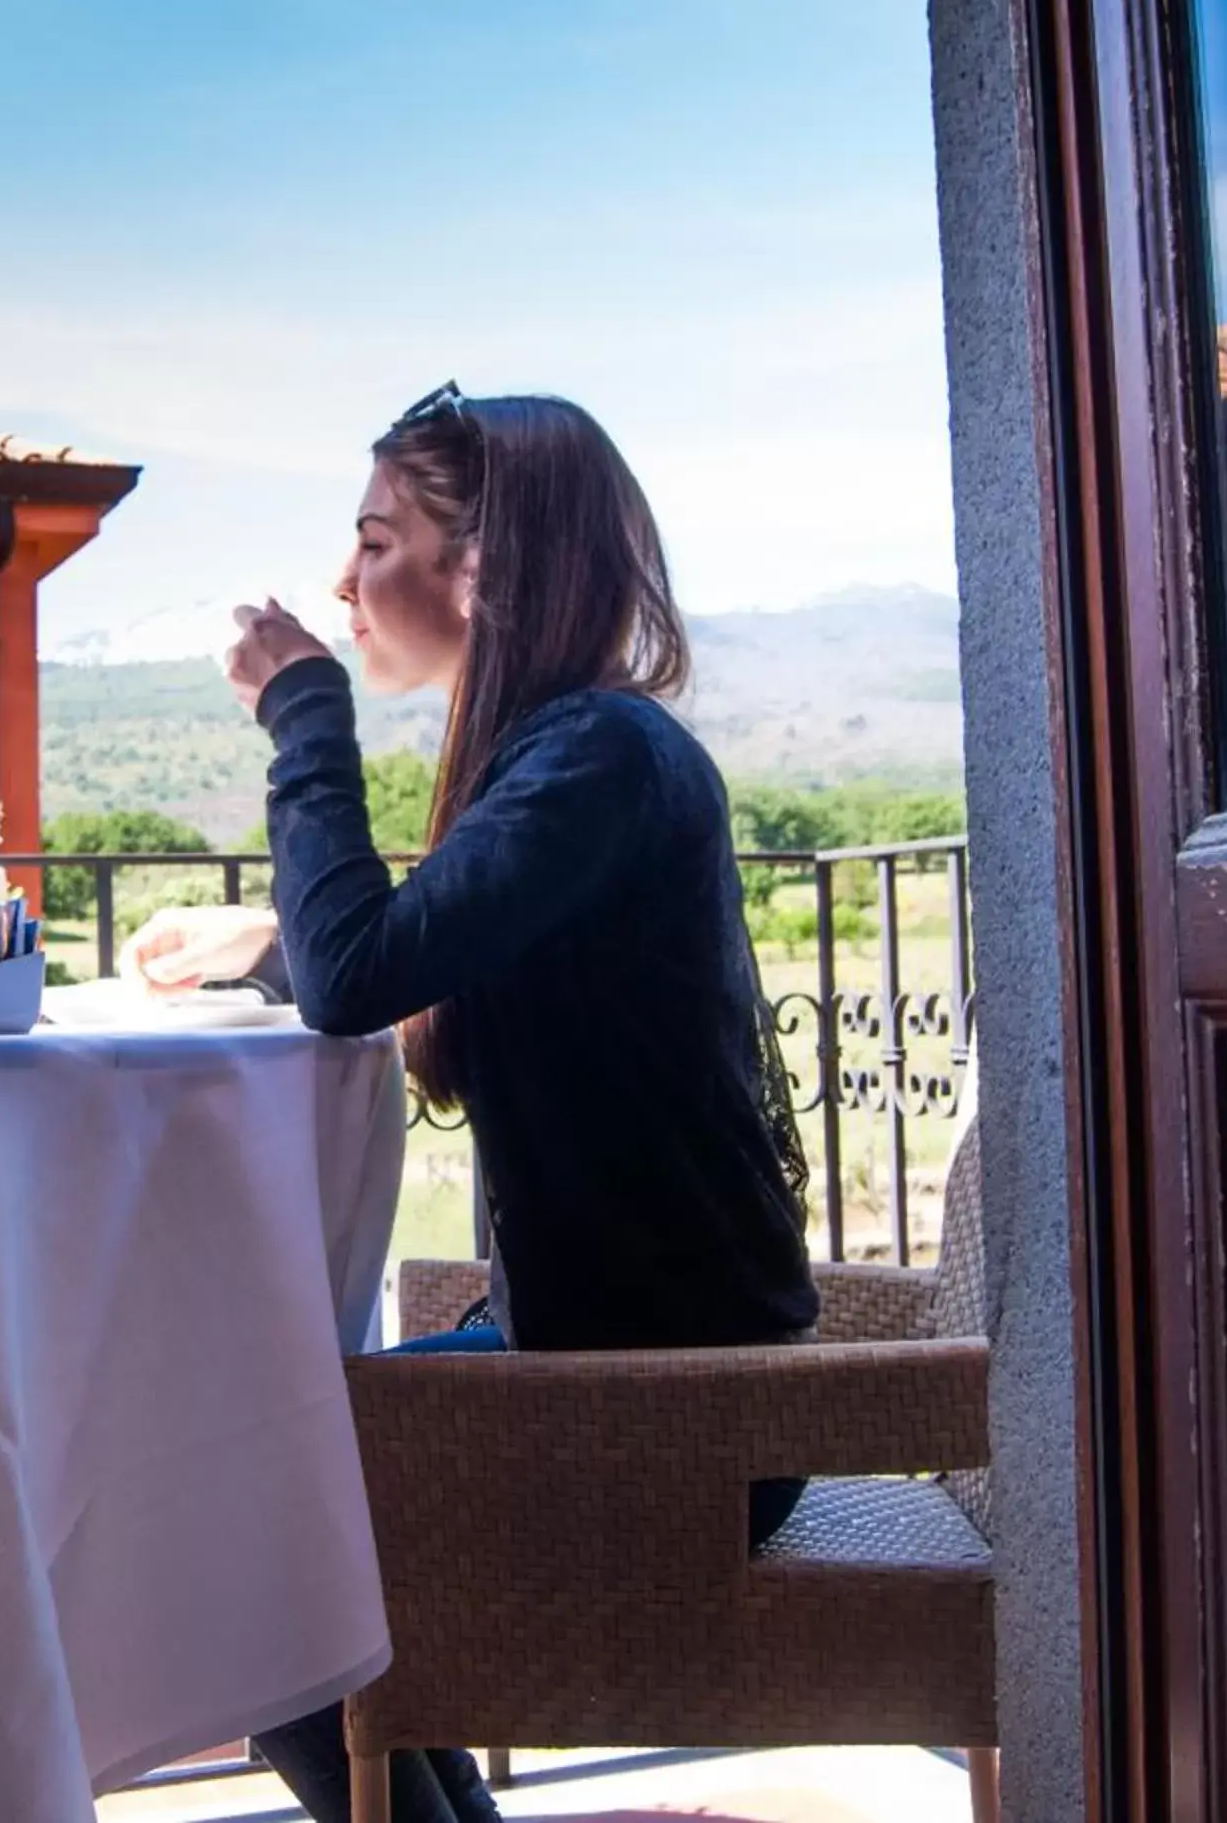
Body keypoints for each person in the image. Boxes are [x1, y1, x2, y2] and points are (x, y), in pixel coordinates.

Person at [121, 383, 819, 1823]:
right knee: (254, 1511)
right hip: (621, 1359)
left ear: (481, 566)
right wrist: (272, 934)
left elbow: (366, 975)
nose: (343, 576)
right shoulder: (576, 755)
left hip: (677, 1413)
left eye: (377, 535)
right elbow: (422, 948)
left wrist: (304, 708)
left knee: (228, 1543)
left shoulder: (597, 758)